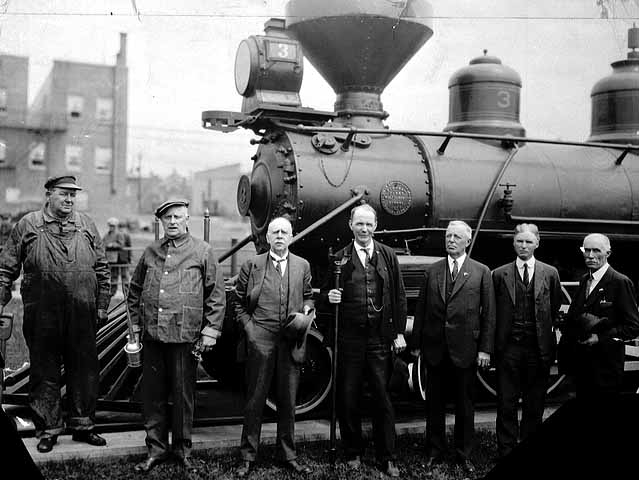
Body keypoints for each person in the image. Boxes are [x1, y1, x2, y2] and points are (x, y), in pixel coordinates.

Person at [0, 175, 110, 453]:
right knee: (44, 369)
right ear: (48, 194)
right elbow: (5, 270)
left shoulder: (86, 225)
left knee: (84, 369)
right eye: (63, 194)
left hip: (82, 312)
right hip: (43, 313)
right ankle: (48, 429)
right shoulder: (28, 224)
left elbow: (102, 268)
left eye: (73, 195)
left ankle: (83, 425)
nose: (69, 200)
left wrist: (101, 305)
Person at [127, 199, 226, 473]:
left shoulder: (202, 251)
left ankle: (183, 451)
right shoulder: (150, 252)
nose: (172, 222)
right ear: (160, 221)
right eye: (167, 217)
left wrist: (211, 329)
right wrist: (135, 327)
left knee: (183, 397)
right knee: (153, 395)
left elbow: (216, 295)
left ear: (187, 219)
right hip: (153, 337)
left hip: (185, 337)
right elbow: (134, 291)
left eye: (177, 217)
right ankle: (156, 450)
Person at [324, 204, 407, 478]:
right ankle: (353, 452)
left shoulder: (387, 255)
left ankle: (388, 456)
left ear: (376, 225)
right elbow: (327, 293)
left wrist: (396, 333)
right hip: (349, 339)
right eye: (359, 224)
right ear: (351, 225)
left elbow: (399, 296)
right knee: (348, 397)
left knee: (382, 398)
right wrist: (330, 296)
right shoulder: (340, 257)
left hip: (379, 339)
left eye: (369, 224)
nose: (364, 229)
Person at [409, 220, 495, 475]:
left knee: (465, 405)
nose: (451, 240)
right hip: (435, 349)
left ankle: (463, 453)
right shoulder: (433, 271)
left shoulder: (481, 272)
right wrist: (416, 346)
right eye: (448, 236)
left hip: (466, 350)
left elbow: (489, 315)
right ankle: (434, 451)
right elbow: (421, 309)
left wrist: (485, 350)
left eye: (457, 236)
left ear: (467, 241)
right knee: (434, 404)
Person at [234, 216, 314, 477]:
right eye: (274, 232)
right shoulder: (252, 265)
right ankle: (247, 456)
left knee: (288, 401)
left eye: (284, 232)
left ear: (291, 236)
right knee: (255, 400)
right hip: (261, 340)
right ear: (267, 237)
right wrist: (251, 330)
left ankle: (287, 454)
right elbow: (237, 303)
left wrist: (306, 312)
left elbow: (309, 297)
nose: (279, 236)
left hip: (290, 341)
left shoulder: (302, 265)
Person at [492, 223, 562, 458]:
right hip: (509, 348)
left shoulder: (550, 273)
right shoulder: (499, 274)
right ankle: (506, 449)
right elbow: (493, 312)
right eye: (520, 241)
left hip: (538, 348)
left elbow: (552, 307)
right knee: (506, 403)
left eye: (528, 242)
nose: (524, 246)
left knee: (535, 403)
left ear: (537, 244)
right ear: (513, 242)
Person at [561, 233, 639, 397]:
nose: (590, 256)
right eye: (586, 250)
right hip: (582, 367)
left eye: (596, 251)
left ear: (608, 253)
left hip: (606, 368)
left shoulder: (620, 282)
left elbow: (633, 327)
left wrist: (600, 337)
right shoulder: (584, 280)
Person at [103, 217, 131, 300]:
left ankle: (127, 293)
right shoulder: (107, 235)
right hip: (112, 258)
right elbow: (103, 242)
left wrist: (112, 245)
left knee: (124, 275)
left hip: (121, 258)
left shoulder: (119, 234)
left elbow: (121, 244)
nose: (111, 227)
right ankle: (113, 292)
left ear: (116, 226)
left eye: (113, 226)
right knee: (114, 275)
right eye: (110, 225)